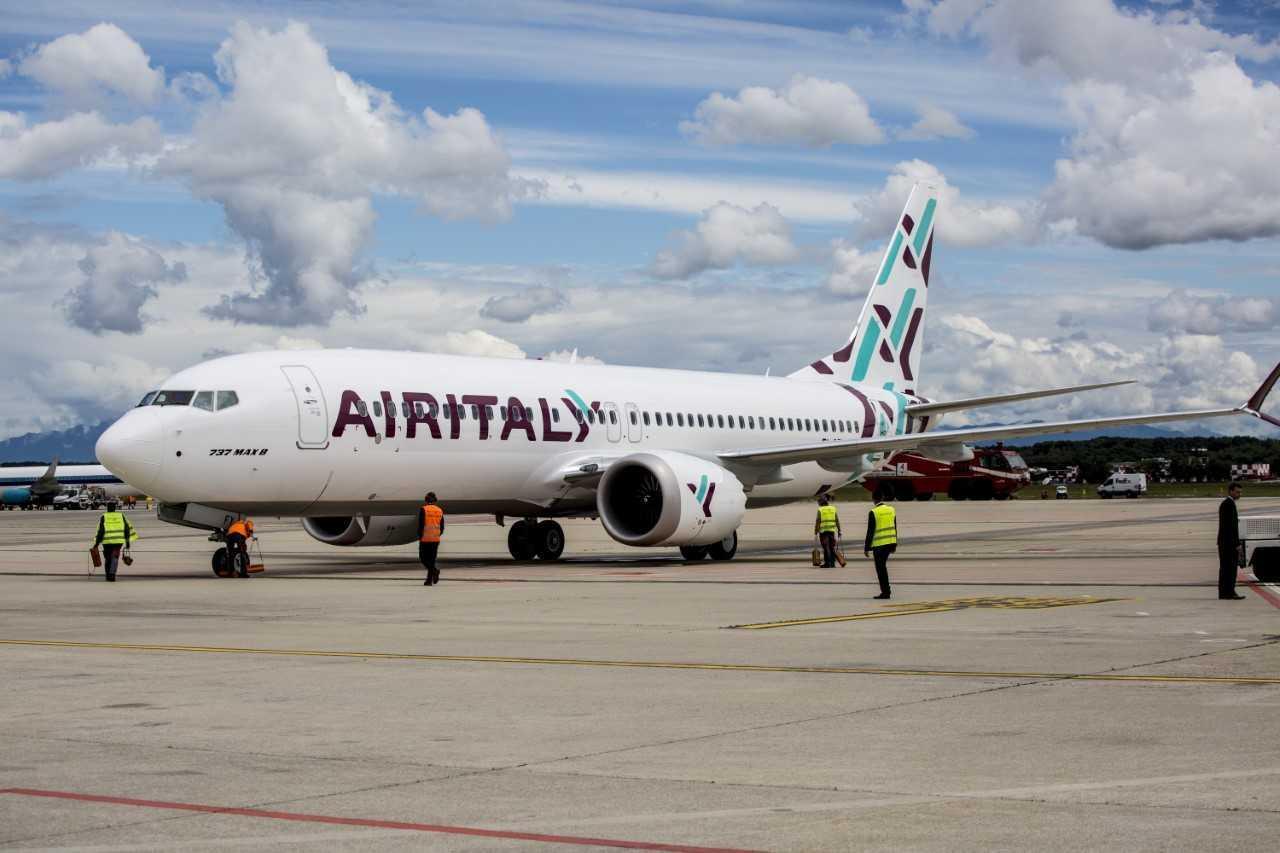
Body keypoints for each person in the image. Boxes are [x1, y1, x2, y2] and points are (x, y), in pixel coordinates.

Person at [864, 489, 897, 599]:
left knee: (881, 569)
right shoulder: (891, 510)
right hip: (890, 543)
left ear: (873, 499)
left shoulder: (873, 512)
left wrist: (866, 548)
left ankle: (886, 592)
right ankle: (886, 590)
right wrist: (894, 543)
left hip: (879, 545)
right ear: (883, 498)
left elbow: (870, 531)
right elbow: (894, 526)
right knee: (883, 568)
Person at [93, 500, 137, 582]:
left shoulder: (104, 516)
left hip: (107, 542)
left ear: (107, 508)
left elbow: (101, 531)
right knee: (115, 557)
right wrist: (127, 542)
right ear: (115, 508)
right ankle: (112, 575)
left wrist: (96, 544)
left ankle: (108, 575)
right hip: (118, 541)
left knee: (108, 558)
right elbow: (126, 529)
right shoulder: (121, 516)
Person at [1217, 482, 1245, 600]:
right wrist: (1237, 544)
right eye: (1237, 492)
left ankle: (1225, 592)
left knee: (1226, 568)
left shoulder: (1228, 503)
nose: (1239, 494)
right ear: (1231, 491)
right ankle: (1229, 592)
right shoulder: (1228, 504)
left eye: (1240, 492)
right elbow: (1230, 527)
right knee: (1230, 568)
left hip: (1225, 542)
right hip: (1228, 543)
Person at [418, 492, 445, 586]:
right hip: (435, 539)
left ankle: (434, 571)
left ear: (426, 500)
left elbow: (421, 525)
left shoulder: (424, 509)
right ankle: (429, 580)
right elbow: (442, 527)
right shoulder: (439, 510)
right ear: (435, 500)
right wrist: (437, 534)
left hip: (425, 538)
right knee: (432, 560)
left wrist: (420, 536)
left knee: (423, 558)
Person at [814, 495, 841, 568]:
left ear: (821, 502)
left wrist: (816, 530)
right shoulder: (833, 508)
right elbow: (837, 520)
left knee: (826, 547)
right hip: (832, 531)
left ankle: (827, 563)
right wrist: (839, 530)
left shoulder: (820, 510)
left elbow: (818, 521)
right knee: (832, 547)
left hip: (823, 532)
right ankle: (832, 563)